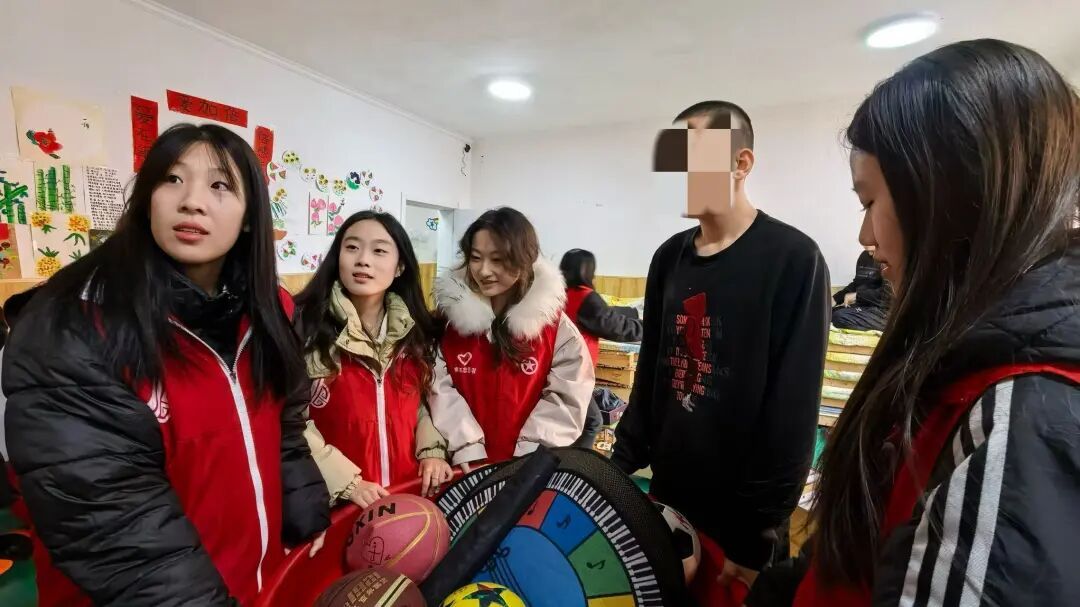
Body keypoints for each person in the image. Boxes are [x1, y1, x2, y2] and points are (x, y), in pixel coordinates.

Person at [748, 39, 1080, 607]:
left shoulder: (1022, 417)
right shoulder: (949, 359)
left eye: (869, 202)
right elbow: (855, 552)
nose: (865, 236)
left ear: (948, 198)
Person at [2, 123, 329, 606]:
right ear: (146, 201)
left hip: (249, 586)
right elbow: (113, 519)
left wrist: (304, 504)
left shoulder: (272, 311)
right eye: (172, 179)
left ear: (249, 218)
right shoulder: (72, 325)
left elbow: (286, 420)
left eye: (220, 185)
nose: (191, 201)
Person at [614, 101, 830, 588]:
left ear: (741, 162)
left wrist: (756, 536)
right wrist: (616, 472)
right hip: (669, 503)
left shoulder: (793, 259)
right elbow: (652, 374)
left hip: (743, 526)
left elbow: (793, 412)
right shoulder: (668, 258)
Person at [294, 210, 454, 506]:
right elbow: (293, 421)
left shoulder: (415, 332)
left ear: (400, 266)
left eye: (379, 251)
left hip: (408, 495)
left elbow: (420, 404)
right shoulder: (305, 330)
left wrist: (432, 451)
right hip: (339, 502)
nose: (363, 260)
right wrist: (348, 483)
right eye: (352, 247)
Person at [428, 207, 593, 470]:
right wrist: (468, 448)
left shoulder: (556, 329)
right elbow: (438, 389)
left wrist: (528, 458)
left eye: (498, 259)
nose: (484, 271)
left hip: (528, 471)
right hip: (463, 468)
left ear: (524, 259)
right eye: (476, 258)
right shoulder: (450, 324)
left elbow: (566, 400)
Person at [559, 248, 642, 448]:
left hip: (560, 369)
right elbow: (617, 327)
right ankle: (577, 464)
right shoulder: (587, 298)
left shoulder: (562, 295)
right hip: (576, 373)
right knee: (592, 422)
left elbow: (606, 313)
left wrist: (632, 312)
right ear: (587, 271)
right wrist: (650, 327)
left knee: (572, 422)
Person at [830, 247, 888, 331]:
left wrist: (858, 296)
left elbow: (889, 295)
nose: (870, 254)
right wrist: (835, 299)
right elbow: (857, 283)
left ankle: (889, 328)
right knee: (828, 314)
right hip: (864, 306)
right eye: (867, 250)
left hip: (883, 310)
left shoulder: (890, 257)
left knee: (839, 317)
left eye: (872, 251)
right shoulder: (864, 255)